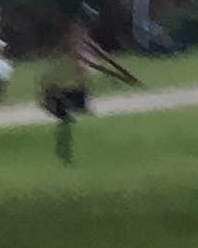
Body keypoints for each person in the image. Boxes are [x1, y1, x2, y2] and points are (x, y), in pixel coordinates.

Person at [38, 10, 140, 163]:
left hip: (70, 86)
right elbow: (85, 61)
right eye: (80, 25)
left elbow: (102, 56)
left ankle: (76, 108)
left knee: (76, 102)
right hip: (58, 87)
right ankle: (65, 149)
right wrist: (117, 75)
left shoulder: (83, 39)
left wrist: (125, 75)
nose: (83, 29)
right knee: (69, 110)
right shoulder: (72, 42)